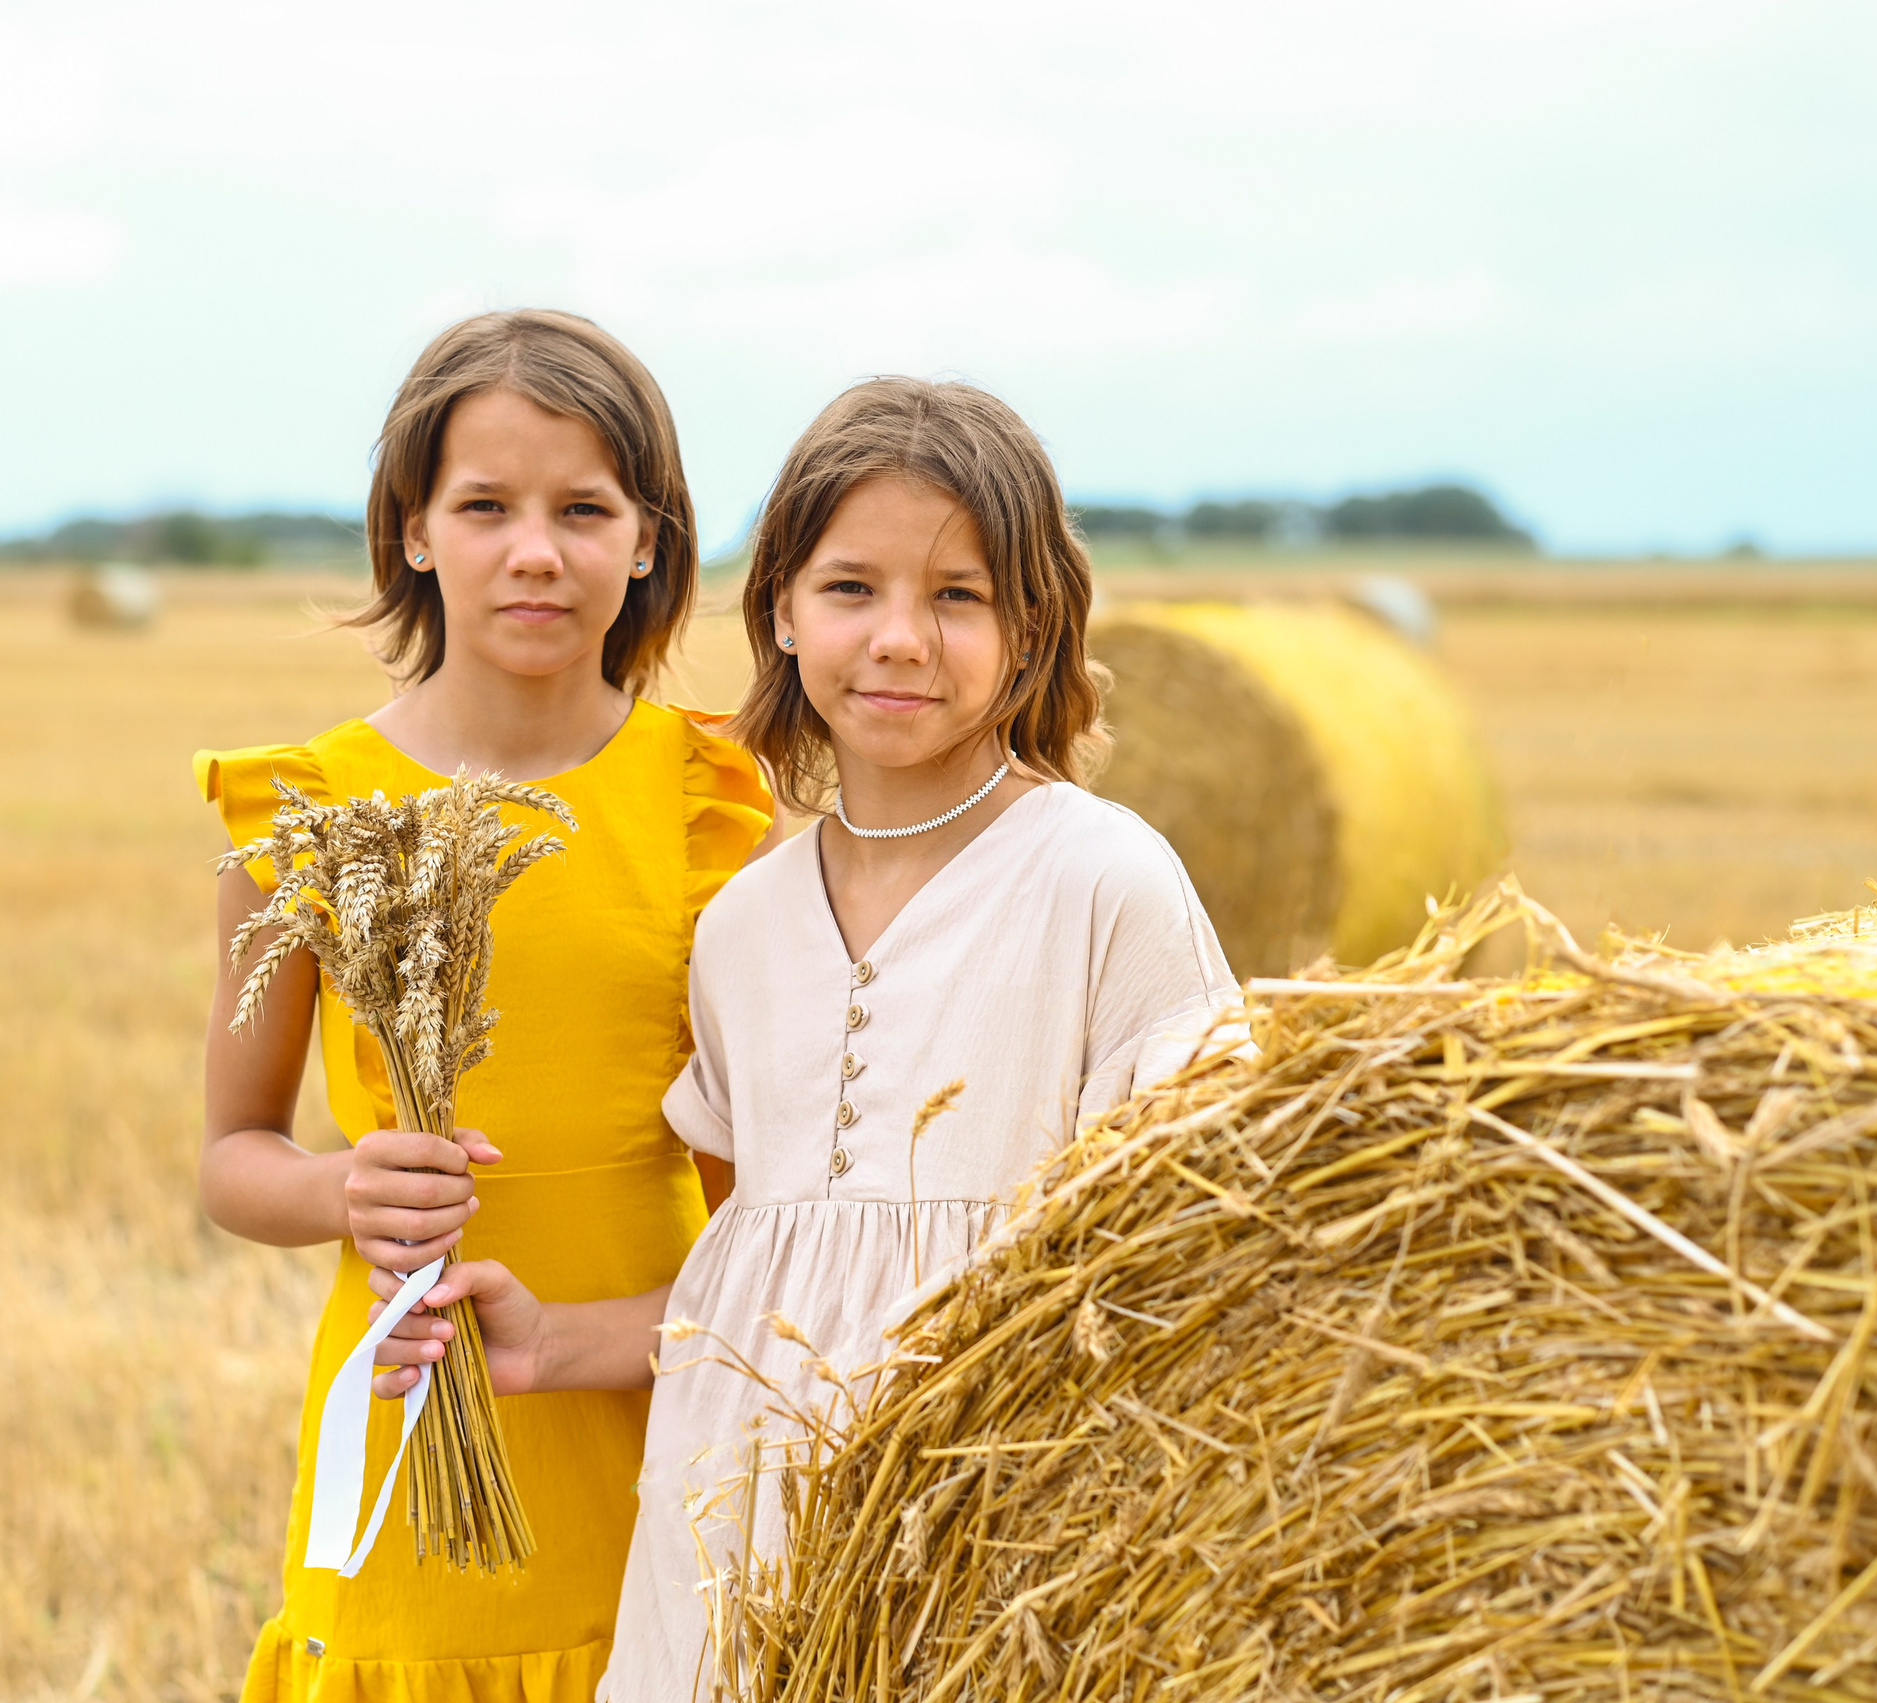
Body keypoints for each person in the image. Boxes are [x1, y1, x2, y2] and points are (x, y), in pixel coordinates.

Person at [367, 377, 1241, 1702]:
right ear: (779, 607)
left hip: (992, 1533)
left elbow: (1193, 1260)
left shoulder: (1102, 881)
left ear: (1035, 624)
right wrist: (554, 1343)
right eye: (850, 590)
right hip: (734, 1538)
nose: (899, 638)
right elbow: (762, 1288)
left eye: (958, 595)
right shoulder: (745, 925)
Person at [196, 309, 774, 1702]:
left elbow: (762, 1187)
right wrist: (340, 1191)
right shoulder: (309, 812)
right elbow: (233, 1158)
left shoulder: (710, 804)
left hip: (657, 1399)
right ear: (412, 531)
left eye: (584, 508)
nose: (536, 550)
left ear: (647, 538)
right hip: (415, 1408)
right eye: (485, 506)